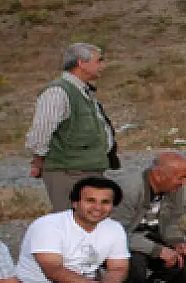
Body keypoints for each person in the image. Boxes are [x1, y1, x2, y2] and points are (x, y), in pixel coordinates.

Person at [16, 177, 157, 283]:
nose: (98, 207)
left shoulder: (114, 228)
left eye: (105, 202)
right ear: (75, 203)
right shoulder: (49, 225)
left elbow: (118, 268)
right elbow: (53, 271)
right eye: (90, 201)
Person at [25, 43, 119, 212]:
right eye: (99, 61)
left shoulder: (83, 91)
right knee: (69, 221)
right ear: (81, 63)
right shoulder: (58, 92)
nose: (102, 66)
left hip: (87, 169)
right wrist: (38, 161)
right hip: (68, 172)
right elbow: (41, 133)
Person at [110, 153, 186, 283]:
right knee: (136, 262)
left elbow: (171, 221)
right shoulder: (128, 190)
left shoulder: (173, 187)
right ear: (157, 175)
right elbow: (115, 234)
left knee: (184, 262)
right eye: (181, 177)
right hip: (125, 239)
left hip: (150, 235)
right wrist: (158, 251)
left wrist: (176, 242)